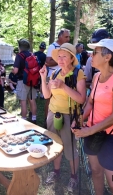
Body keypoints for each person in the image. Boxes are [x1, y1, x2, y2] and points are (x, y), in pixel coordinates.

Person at [72, 39, 113, 195]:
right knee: (96, 171)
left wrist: (88, 131)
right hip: (92, 131)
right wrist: (80, 120)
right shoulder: (96, 77)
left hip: (111, 136)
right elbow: (91, 102)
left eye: (95, 52)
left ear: (107, 57)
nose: (90, 55)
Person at [41, 43, 86, 192]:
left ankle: (74, 177)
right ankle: (56, 172)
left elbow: (81, 99)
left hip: (70, 116)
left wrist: (63, 87)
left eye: (64, 56)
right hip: (53, 114)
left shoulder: (77, 73)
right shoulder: (54, 73)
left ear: (72, 58)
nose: (60, 59)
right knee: (55, 145)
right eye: (58, 56)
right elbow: (47, 95)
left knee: (70, 148)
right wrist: (43, 78)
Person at [44, 29, 70, 126]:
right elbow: (47, 62)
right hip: (53, 76)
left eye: (69, 37)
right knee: (49, 98)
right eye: (66, 37)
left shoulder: (66, 47)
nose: (68, 39)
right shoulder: (53, 46)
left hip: (64, 76)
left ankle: (60, 118)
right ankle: (48, 121)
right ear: (60, 37)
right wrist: (61, 61)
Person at [13, 39, 37, 123]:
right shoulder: (32, 55)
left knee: (23, 101)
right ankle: (34, 118)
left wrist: (12, 72)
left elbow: (16, 70)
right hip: (32, 80)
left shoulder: (19, 56)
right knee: (32, 100)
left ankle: (24, 120)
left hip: (22, 81)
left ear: (20, 47)